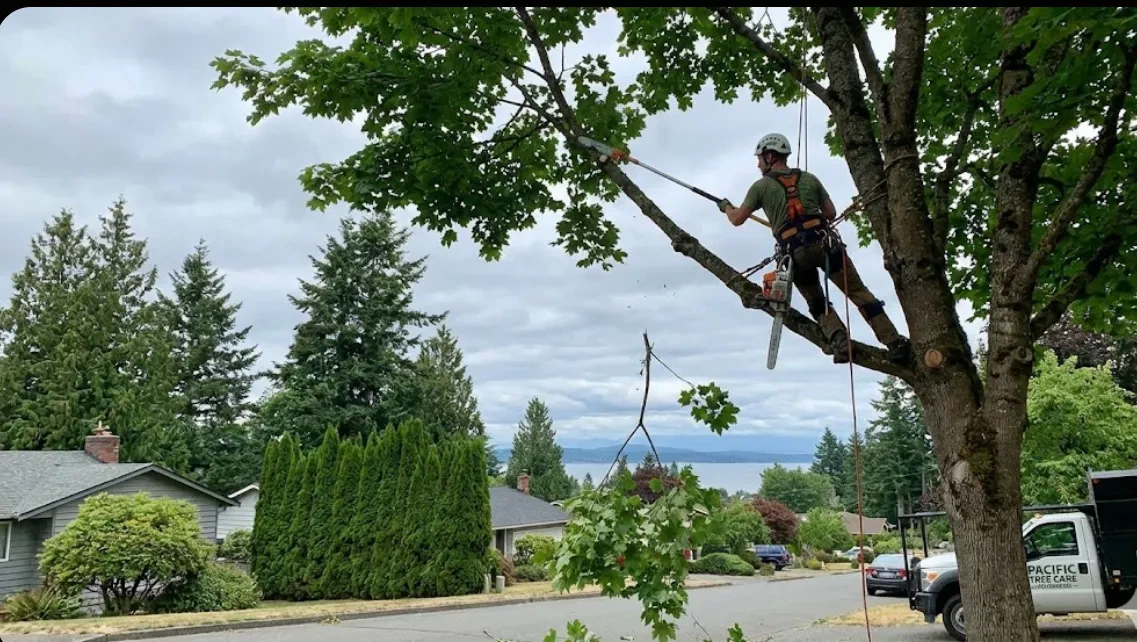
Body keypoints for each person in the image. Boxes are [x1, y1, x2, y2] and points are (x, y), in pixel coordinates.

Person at [717, 133, 911, 364]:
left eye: (759, 159)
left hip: (795, 254)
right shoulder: (810, 179)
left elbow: (737, 219)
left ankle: (839, 340)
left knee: (817, 301)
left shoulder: (760, 187)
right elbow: (830, 213)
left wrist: (726, 207)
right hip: (824, 244)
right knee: (858, 292)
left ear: (769, 157)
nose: (758, 165)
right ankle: (894, 342)